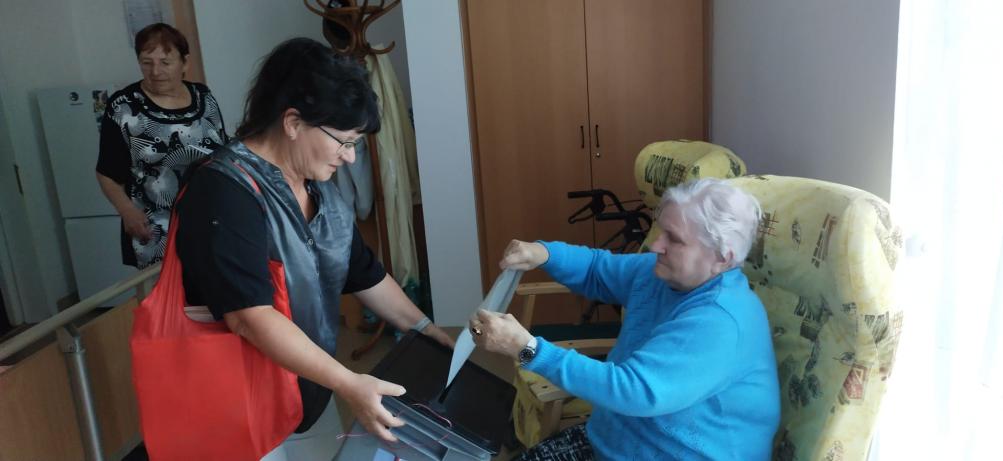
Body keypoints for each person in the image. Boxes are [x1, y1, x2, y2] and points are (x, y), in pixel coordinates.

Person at [174, 38, 453, 460]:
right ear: (293, 122)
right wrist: (347, 382)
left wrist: (427, 331)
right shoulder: (223, 190)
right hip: (239, 404)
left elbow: (364, 273)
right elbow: (250, 317)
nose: (349, 157)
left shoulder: (320, 192)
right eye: (344, 141)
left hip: (303, 391)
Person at [472, 178, 781, 460]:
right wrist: (543, 253)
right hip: (616, 441)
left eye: (674, 239)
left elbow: (634, 390)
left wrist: (527, 349)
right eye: (661, 231)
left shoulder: (721, 321)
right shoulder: (664, 273)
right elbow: (597, 270)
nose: (656, 245)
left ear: (722, 258)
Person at [96, 22, 228, 269]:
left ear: (184, 63)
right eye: (147, 62)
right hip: (157, 229)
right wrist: (127, 211)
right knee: (168, 293)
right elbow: (107, 173)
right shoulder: (123, 107)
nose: (156, 71)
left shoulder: (204, 97)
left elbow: (222, 151)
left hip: (212, 220)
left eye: (165, 62)